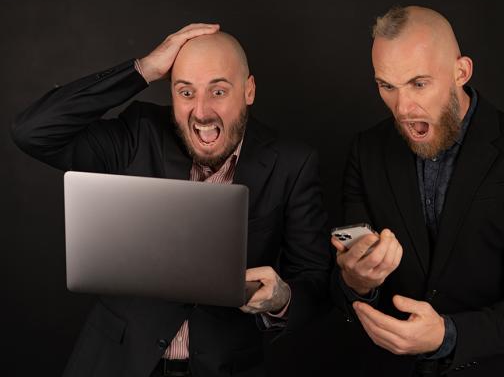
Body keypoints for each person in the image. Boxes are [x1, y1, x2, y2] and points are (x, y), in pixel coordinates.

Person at [12, 24, 331, 377]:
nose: (202, 112)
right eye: (186, 92)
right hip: (118, 362)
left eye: (219, 91)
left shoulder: (292, 164)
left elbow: (315, 280)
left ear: (249, 90)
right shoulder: (140, 133)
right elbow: (33, 132)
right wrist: (144, 69)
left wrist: (282, 299)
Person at [331, 6, 504, 376]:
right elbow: (343, 286)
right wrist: (357, 281)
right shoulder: (366, 151)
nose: (402, 108)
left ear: (461, 72)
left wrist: (448, 335)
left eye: (419, 84)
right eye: (387, 86)